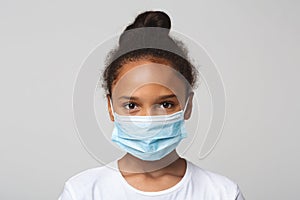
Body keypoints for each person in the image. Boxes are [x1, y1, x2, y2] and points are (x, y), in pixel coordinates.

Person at [58, 10, 245, 200]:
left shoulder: (222, 193)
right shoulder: (82, 193)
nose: (148, 120)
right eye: (132, 106)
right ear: (110, 107)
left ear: (188, 106)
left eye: (165, 104)